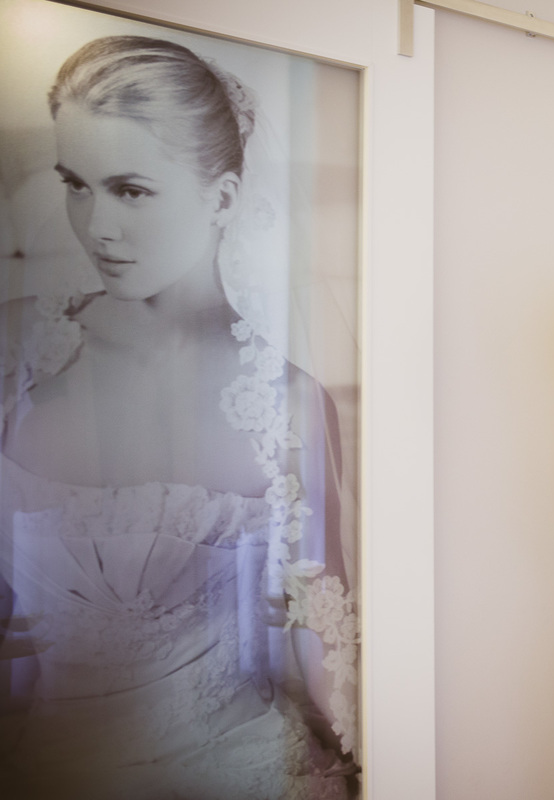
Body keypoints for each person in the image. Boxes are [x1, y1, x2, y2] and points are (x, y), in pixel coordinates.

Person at [0, 35, 356, 798]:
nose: (95, 227)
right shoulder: (14, 352)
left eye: (131, 189)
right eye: (76, 184)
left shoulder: (288, 401)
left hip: (238, 768)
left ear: (223, 198)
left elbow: (326, 634)